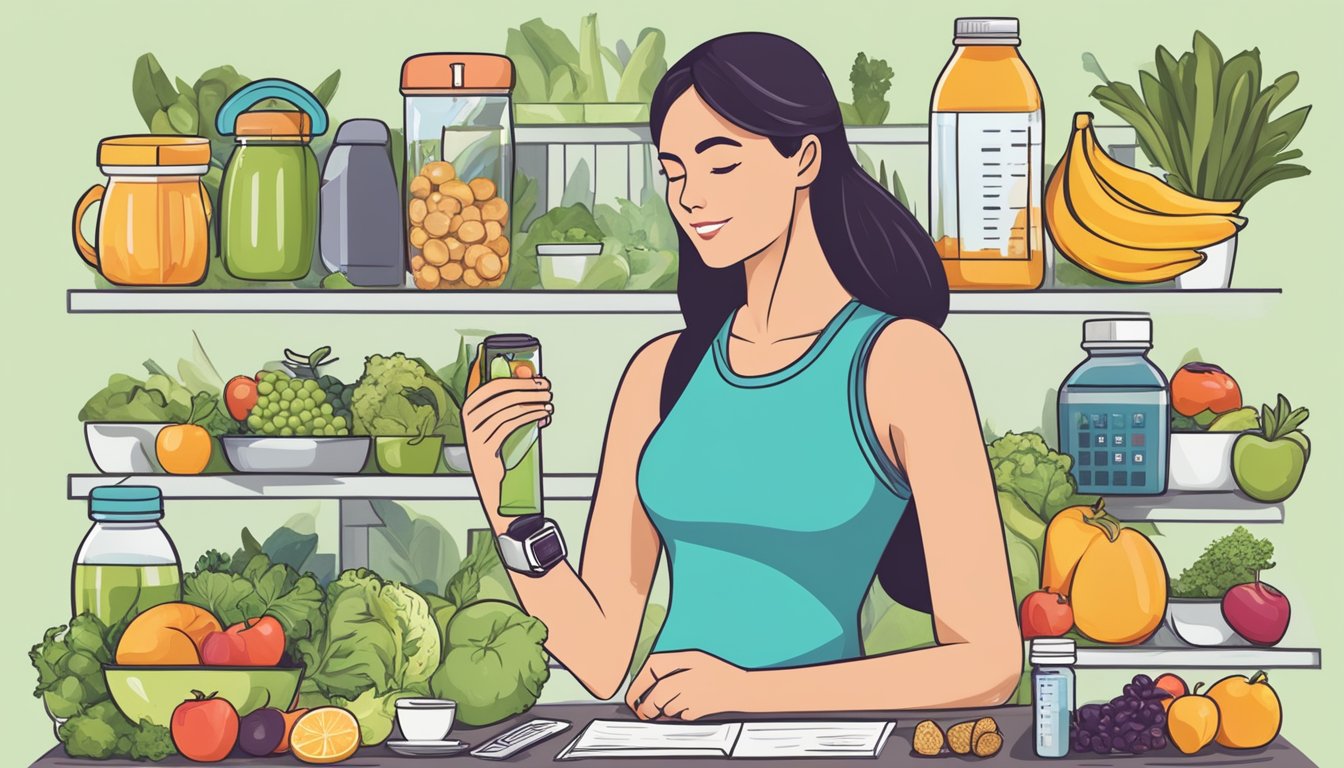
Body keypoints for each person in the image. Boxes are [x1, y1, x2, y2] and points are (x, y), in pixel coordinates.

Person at [462, 31, 1022, 721]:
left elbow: (990, 660)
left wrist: (745, 692)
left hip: (819, 742)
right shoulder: (662, 371)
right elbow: (602, 658)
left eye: (719, 165)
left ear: (804, 159)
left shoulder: (902, 363)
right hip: (663, 739)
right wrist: (508, 509)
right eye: (672, 171)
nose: (689, 196)